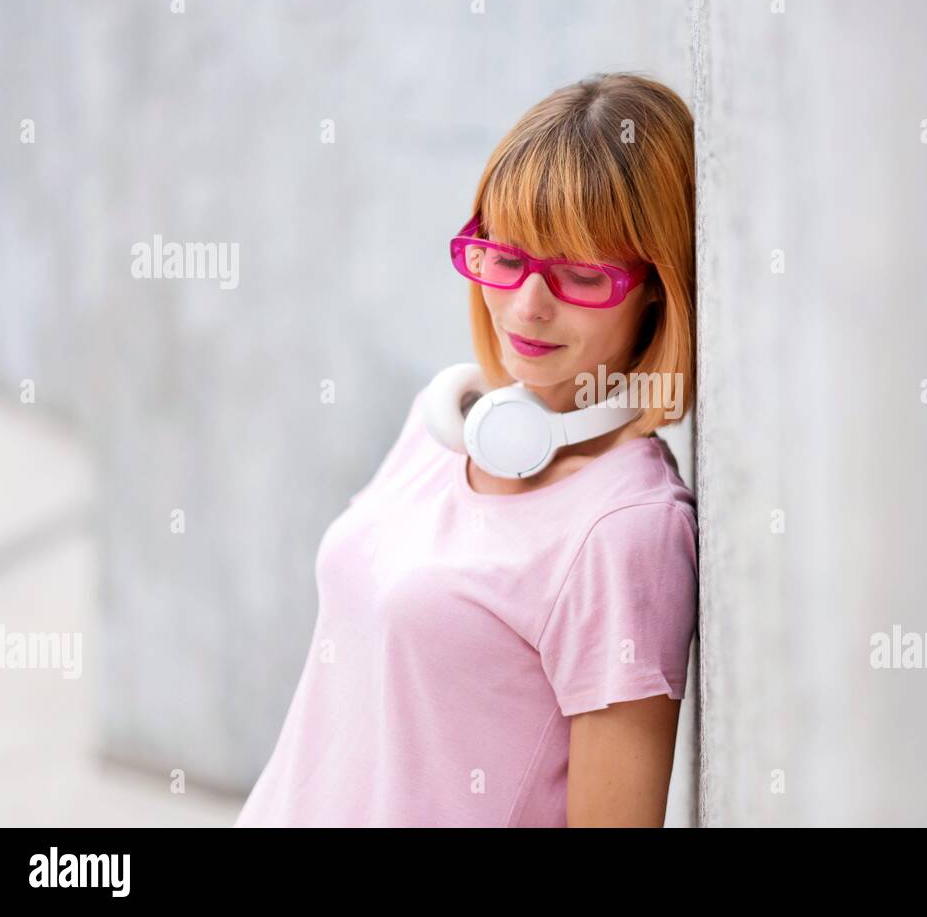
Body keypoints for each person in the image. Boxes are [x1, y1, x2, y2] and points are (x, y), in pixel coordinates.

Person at [235, 72, 699, 827]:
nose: (527, 306)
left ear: (657, 285)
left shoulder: (626, 533)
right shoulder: (443, 425)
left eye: (580, 275)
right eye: (506, 259)